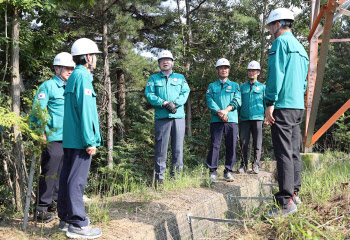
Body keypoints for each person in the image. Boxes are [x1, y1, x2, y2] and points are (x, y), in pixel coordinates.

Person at [263, 8, 309, 218]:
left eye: (271, 26)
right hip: (297, 106)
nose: (270, 30)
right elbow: (303, 82)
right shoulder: (301, 47)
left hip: (282, 105)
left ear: (277, 24)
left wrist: (270, 101)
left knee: (283, 153)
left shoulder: (280, 43)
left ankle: (284, 203)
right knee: (293, 152)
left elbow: (275, 75)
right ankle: (295, 194)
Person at [57, 38, 103, 239]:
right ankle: (77, 224)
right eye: (95, 57)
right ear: (88, 57)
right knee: (76, 182)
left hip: (70, 138)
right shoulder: (82, 76)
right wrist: (89, 140)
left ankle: (66, 218)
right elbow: (85, 110)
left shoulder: (74, 76)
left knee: (67, 178)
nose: (96, 61)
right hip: (80, 140)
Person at [31, 52, 75, 222]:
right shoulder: (48, 86)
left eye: (72, 68)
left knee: (63, 172)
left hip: (69, 138)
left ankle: (55, 205)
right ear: (57, 68)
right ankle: (42, 209)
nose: (70, 71)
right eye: (66, 68)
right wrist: (40, 131)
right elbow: (38, 111)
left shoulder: (71, 87)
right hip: (51, 137)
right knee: (50, 172)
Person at [145, 50, 190, 186]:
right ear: (159, 63)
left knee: (177, 148)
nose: (165, 62)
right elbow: (149, 94)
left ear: (172, 62)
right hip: (162, 117)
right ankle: (160, 179)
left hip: (178, 117)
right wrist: (164, 103)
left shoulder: (181, 77)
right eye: (162, 60)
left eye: (168, 59)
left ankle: (176, 177)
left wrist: (174, 103)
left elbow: (185, 92)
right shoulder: (153, 78)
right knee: (161, 149)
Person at [206, 58, 241, 182]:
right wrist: (219, 112)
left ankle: (228, 171)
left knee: (231, 145)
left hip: (231, 119)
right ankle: (212, 171)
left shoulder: (235, 85)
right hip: (216, 120)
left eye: (226, 67)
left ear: (229, 70)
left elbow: (237, 100)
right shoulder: (212, 86)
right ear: (217, 70)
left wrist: (226, 111)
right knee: (215, 145)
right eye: (221, 68)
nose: (224, 70)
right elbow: (209, 100)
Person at [239, 61, 265, 174]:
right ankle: (243, 165)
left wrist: (267, 117)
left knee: (257, 142)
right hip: (244, 118)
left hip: (258, 118)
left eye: (254, 71)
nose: (251, 73)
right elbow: (238, 103)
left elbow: (266, 103)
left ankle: (256, 165)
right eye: (249, 71)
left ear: (258, 72)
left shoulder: (263, 87)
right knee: (243, 142)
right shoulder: (242, 87)